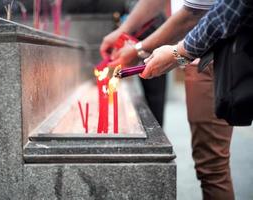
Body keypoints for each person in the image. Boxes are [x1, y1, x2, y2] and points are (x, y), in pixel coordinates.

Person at [101, 0, 237, 199]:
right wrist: (124, 32)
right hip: (200, 56)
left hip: (215, 58)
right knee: (210, 168)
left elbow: (194, 13)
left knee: (213, 169)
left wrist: (170, 52)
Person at [100, 0, 167, 126]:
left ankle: (156, 138)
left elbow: (188, 16)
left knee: (155, 96)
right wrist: (123, 32)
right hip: (133, 34)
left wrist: (139, 49)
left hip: (154, 31)